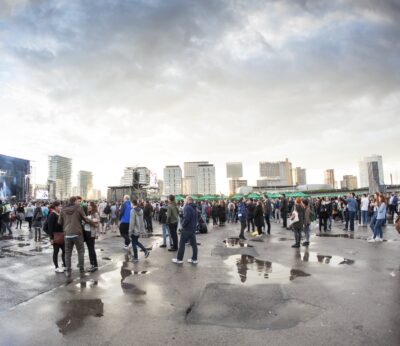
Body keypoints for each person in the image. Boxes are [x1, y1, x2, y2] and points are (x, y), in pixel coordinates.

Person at [58, 196, 94, 277]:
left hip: (67, 234)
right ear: (74, 201)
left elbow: (59, 222)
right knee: (80, 251)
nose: (79, 202)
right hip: (77, 233)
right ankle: (81, 270)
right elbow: (85, 219)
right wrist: (93, 223)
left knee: (67, 253)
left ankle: (68, 271)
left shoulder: (63, 209)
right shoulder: (78, 208)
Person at [172, 196, 198, 264]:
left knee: (182, 243)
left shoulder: (187, 207)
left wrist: (182, 226)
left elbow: (187, 219)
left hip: (187, 229)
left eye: (185, 200)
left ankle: (179, 259)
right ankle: (194, 259)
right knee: (194, 244)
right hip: (193, 229)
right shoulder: (194, 207)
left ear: (188, 200)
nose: (184, 202)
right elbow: (193, 218)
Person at [48, 201, 65, 273]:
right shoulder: (52, 214)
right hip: (56, 236)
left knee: (64, 250)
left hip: (61, 235)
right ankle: (56, 267)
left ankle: (65, 265)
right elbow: (50, 227)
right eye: (59, 206)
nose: (60, 207)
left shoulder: (58, 214)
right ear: (55, 207)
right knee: (56, 252)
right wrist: (51, 238)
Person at [84, 202, 99, 272]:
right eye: (88, 205)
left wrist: (87, 220)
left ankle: (94, 265)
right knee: (89, 249)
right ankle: (92, 264)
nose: (88, 206)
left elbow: (97, 223)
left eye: (90, 205)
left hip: (91, 233)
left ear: (93, 206)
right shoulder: (88, 213)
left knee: (91, 249)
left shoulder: (95, 213)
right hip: (86, 233)